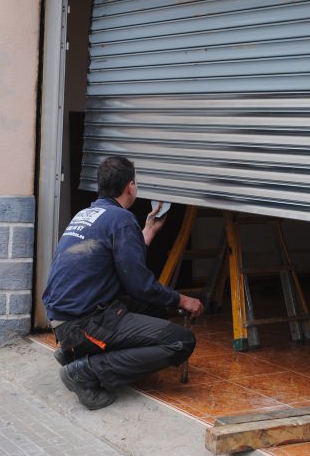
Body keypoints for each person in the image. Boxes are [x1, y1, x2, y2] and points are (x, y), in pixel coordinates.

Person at [42, 156, 204, 410]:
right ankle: (87, 370)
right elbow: (139, 283)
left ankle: (75, 351)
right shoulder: (121, 219)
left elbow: (118, 261)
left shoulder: (89, 214)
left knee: (153, 308)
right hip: (84, 322)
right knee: (180, 341)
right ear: (130, 186)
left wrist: (149, 229)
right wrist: (183, 300)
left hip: (65, 318)